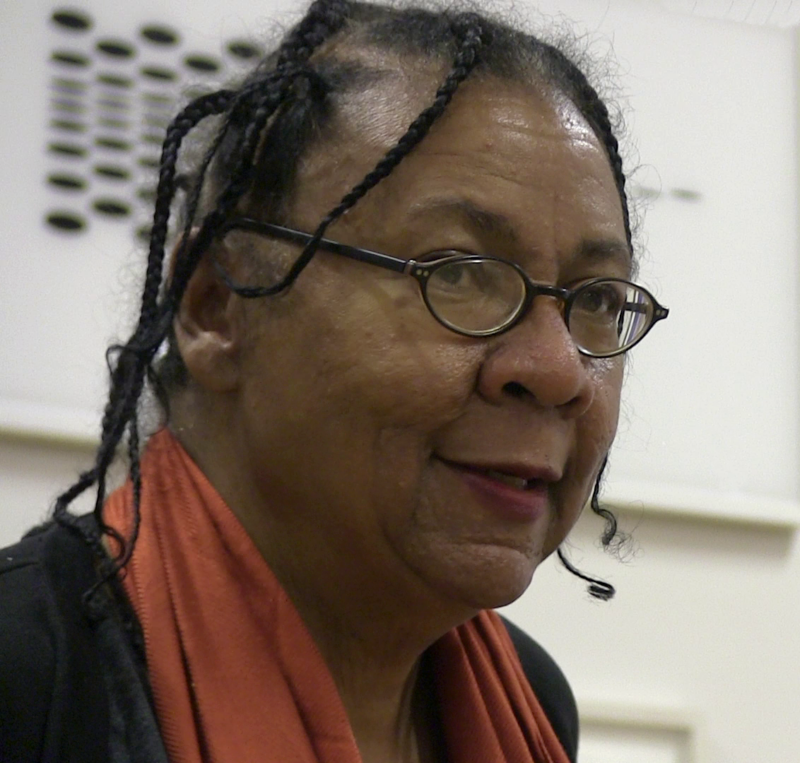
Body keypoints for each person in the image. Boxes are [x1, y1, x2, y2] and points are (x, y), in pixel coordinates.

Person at [0, 1, 669, 761]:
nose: (557, 373)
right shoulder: (32, 686)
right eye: (460, 274)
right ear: (216, 304)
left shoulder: (532, 702)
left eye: (599, 298)